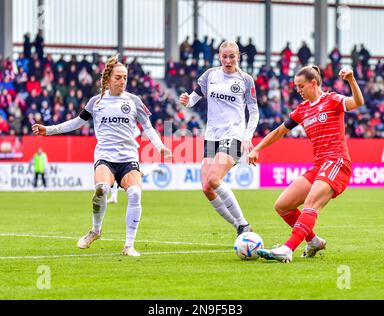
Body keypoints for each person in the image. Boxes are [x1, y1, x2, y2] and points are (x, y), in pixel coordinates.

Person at [32, 55, 172, 257]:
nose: (122, 81)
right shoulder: (96, 102)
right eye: (118, 77)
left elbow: (148, 128)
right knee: (101, 189)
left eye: (125, 77)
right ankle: (96, 230)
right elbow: (76, 123)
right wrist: (49, 130)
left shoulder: (134, 101)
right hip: (105, 156)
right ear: (108, 80)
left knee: (135, 194)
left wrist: (161, 147)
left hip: (128, 158)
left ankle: (129, 246)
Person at [248, 66, 364, 263]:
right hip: (319, 165)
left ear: (313, 83)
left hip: (337, 162)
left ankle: (287, 249)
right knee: (283, 206)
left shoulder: (332, 100)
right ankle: (314, 241)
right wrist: (257, 148)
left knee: (311, 204)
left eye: (301, 86)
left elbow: (357, 102)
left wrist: (351, 81)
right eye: (296, 87)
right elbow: (278, 132)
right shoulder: (302, 110)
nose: (298, 90)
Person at [179, 40, 259, 237]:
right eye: (224, 56)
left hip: (233, 135)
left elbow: (254, 112)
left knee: (214, 179)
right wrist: (187, 101)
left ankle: (243, 224)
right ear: (219, 57)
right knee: (207, 187)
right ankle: (239, 226)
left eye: (232, 56)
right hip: (212, 136)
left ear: (238, 57)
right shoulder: (210, 75)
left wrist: (247, 137)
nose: (228, 60)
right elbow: (193, 99)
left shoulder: (245, 80)